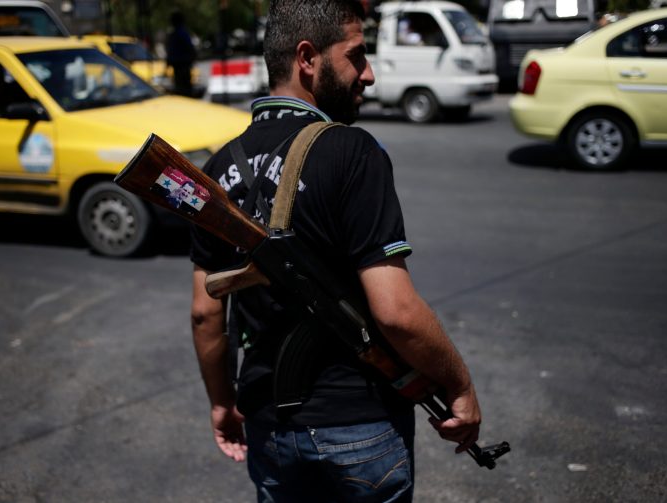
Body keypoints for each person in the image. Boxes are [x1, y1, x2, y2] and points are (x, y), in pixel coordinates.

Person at [189, 1, 482, 501]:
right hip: (359, 426)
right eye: (357, 56)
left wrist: (222, 402)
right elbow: (397, 313)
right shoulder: (351, 151)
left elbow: (204, 314)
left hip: (268, 426)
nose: (368, 74)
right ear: (308, 58)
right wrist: (460, 386)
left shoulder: (216, 170)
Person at [166, 10, 196, 96]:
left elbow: (171, 51)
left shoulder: (178, 33)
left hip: (181, 66)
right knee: (183, 89)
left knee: (182, 89)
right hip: (181, 66)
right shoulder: (180, 33)